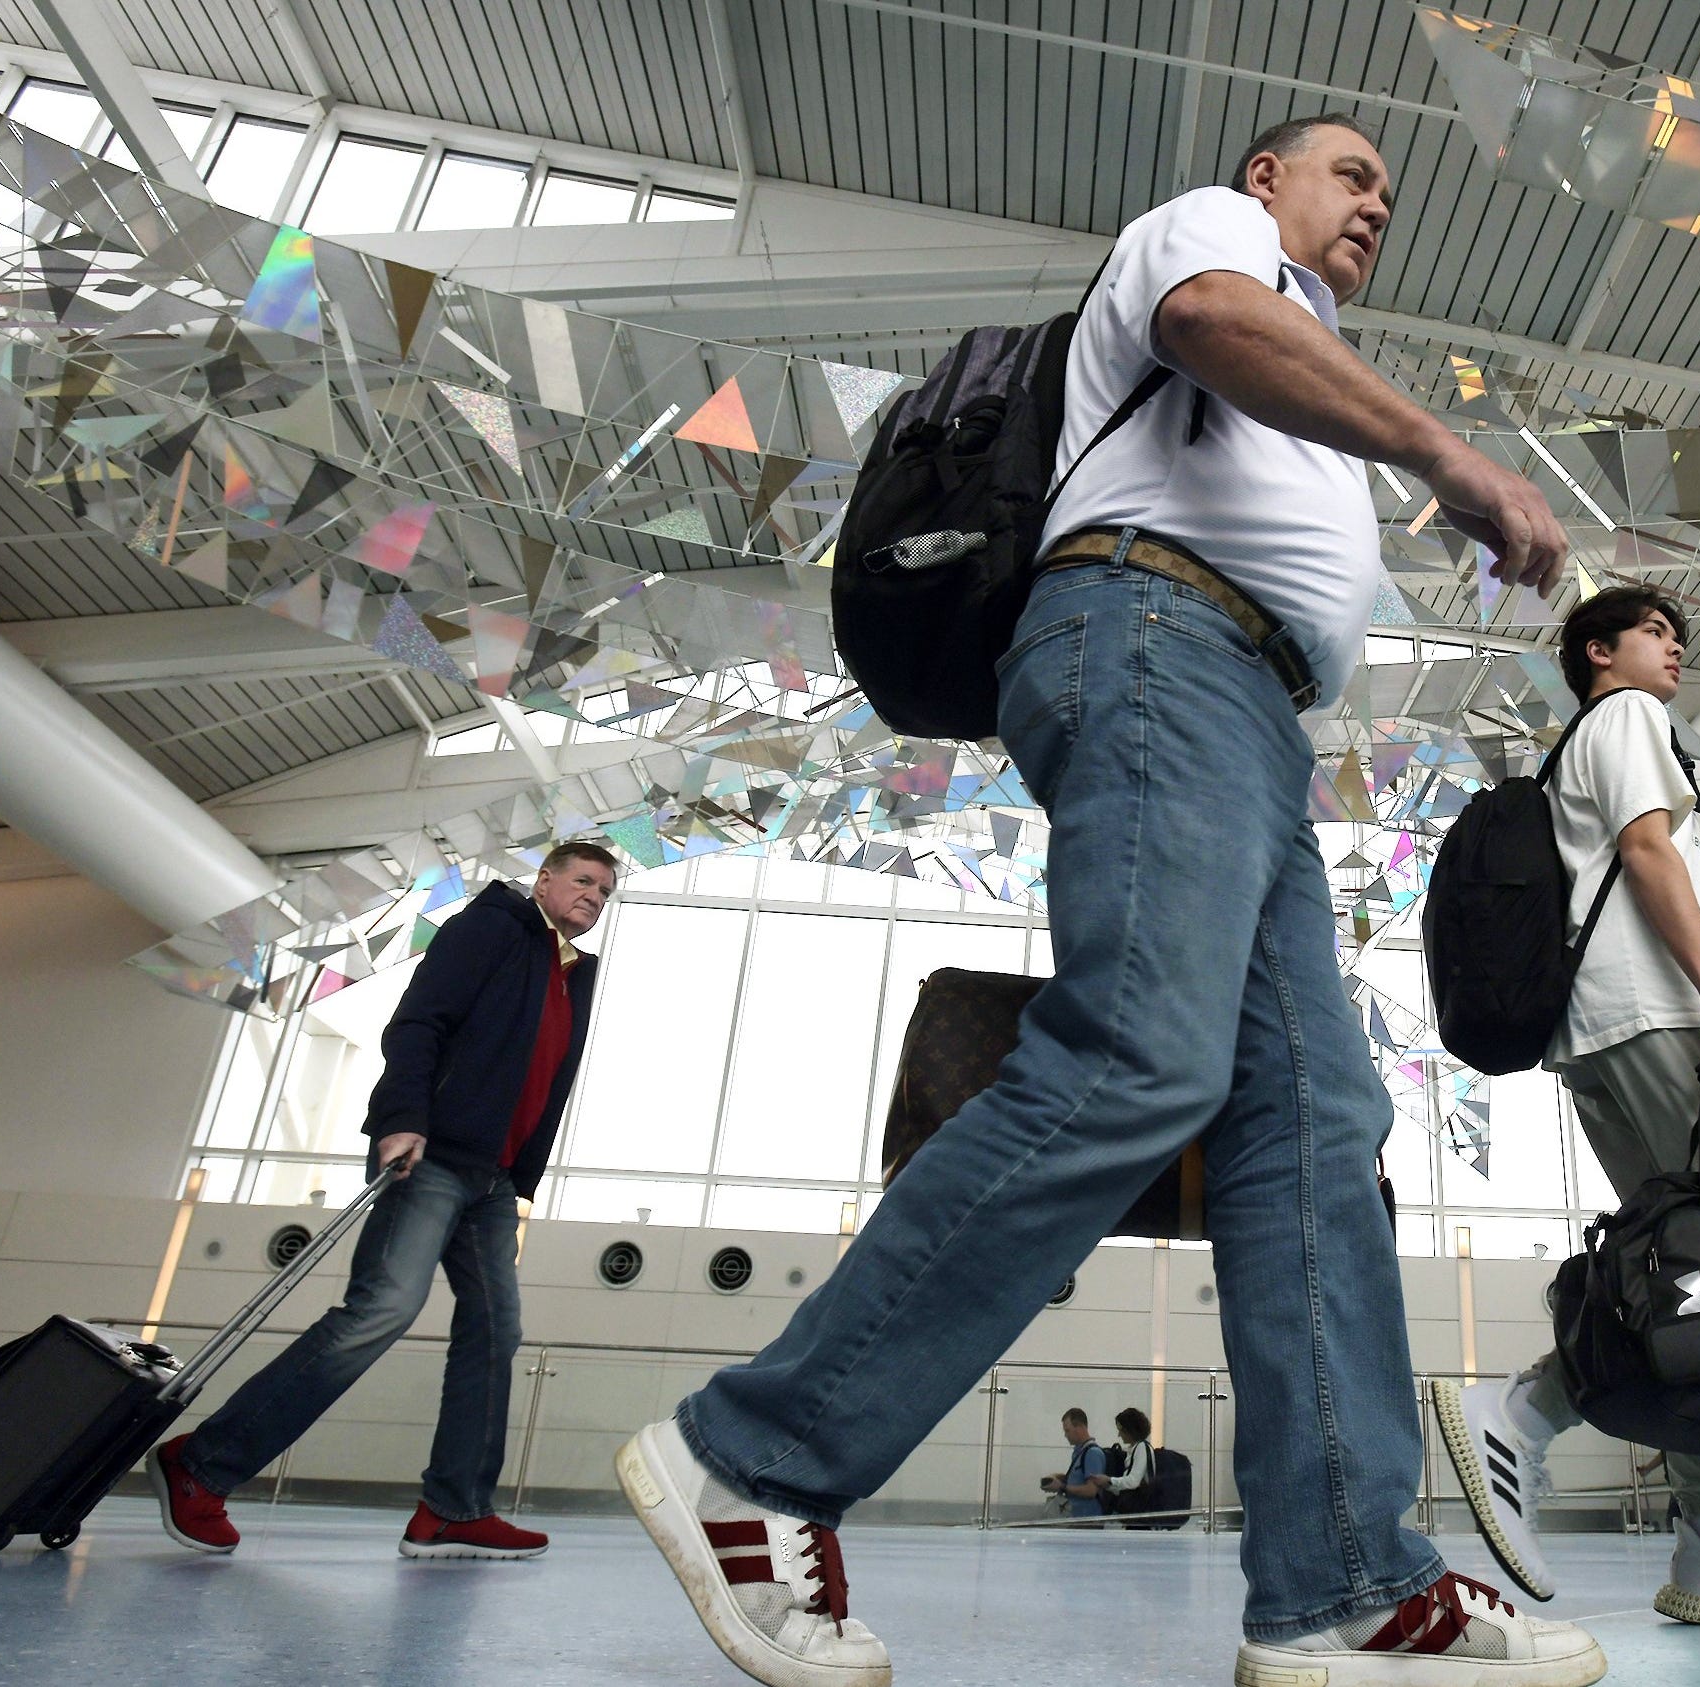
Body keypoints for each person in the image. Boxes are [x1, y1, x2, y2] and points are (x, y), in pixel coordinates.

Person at [613, 114, 1603, 1687]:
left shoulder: (1310, 345)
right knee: (1140, 1049)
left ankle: (1341, 1578)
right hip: (1153, 639)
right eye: (1350, 175)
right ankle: (758, 1454)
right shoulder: (1212, 237)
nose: (1374, 206)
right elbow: (1206, 323)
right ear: (1267, 180)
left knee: (1313, 1124)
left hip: (1246, 708)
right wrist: (1444, 452)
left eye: (1388, 196)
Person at [1430, 588, 1700, 1627]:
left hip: (1592, 1032)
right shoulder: (1626, 717)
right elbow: (1647, 851)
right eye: (1655, 635)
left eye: (1678, 638)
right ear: (1600, 651)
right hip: (1652, 1017)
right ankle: (1526, 1411)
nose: (1674, 651)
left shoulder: (1569, 753)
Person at [152, 840, 617, 1559]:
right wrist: (403, 1118)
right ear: (545, 880)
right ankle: (202, 1462)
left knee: (496, 1332)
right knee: (382, 1310)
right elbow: (418, 1020)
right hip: (435, 1152)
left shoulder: (570, 974)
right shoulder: (492, 927)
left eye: (605, 890)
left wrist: (517, 1173)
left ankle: (454, 1509)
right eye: (582, 879)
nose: (593, 894)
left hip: (491, 1180)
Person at [1041, 1407, 1108, 1520]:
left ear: (1079, 1428)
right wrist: (1058, 1478)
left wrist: (1062, 1487)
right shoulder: (1079, 1453)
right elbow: (1079, 1478)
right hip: (1076, 1516)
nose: (1065, 1435)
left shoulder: (1092, 1454)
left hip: (1088, 1518)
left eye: (1067, 1430)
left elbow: (1091, 1490)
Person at [1100, 1406, 1158, 1516]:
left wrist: (1109, 1480)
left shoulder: (1141, 1448)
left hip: (1140, 1513)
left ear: (1129, 1430)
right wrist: (1107, 1486)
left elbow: (1133, 1482)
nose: (1119, 1435)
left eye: (1121, 1430)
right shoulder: (1135, 1449)